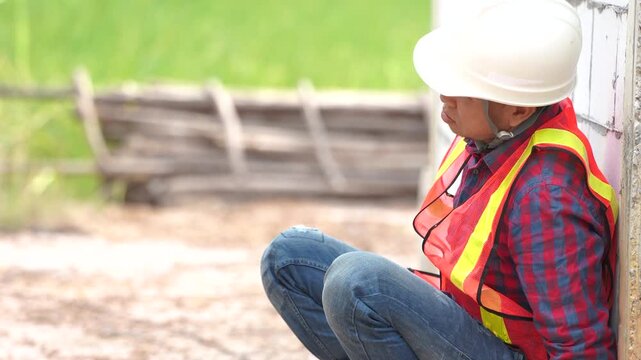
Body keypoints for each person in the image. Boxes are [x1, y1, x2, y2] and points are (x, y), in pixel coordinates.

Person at [260, 0, 618, 359]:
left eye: (465, 88)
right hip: (469, 326)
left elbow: (582, 348)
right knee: (288, 257)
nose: (446, 95)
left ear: (518, 109)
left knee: (356, 283)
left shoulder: (545, 197)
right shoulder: (499, 138)